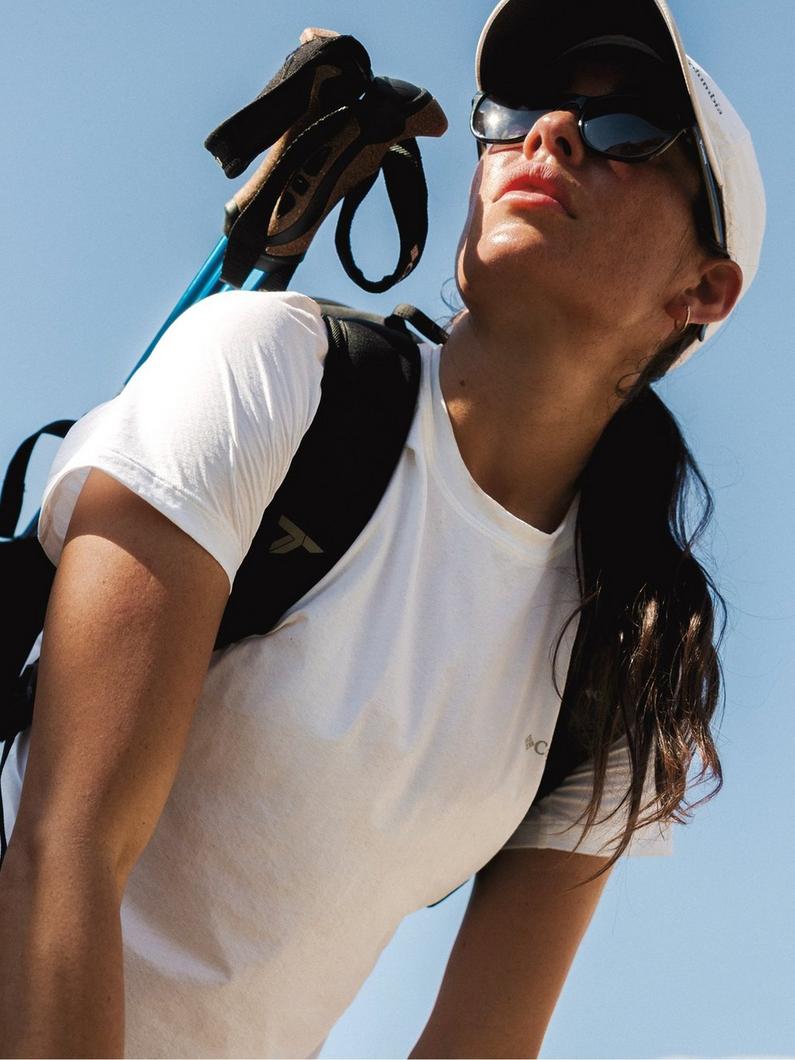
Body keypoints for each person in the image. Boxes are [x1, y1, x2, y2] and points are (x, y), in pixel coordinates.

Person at [0, 0, 765, 1057]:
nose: (549, 134)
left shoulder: (625, 655)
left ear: (703, 291)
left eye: (627, 130)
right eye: (521, 111)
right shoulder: (268, 371)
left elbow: (480, 1045)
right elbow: (62, 854)